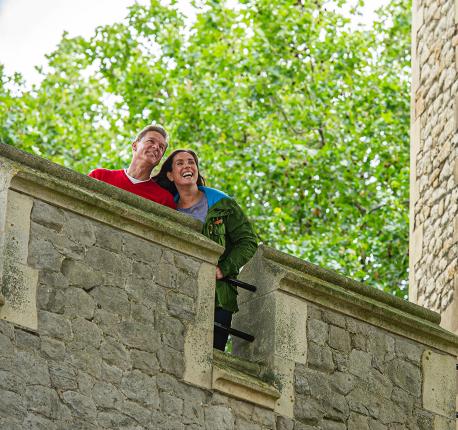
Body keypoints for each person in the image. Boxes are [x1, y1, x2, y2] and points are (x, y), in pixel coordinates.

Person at [153, 149, 258, 351]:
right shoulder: (166, 208)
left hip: (218, 296)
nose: (187, 166)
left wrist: (224, 268)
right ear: (170, 175)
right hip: (178, 291)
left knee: (210, 357)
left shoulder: (222, 204)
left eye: (191, 162)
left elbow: (248, 242)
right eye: (180, 163)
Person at [89, 125, 176, 209]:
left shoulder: (164, 200)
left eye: (161, 147)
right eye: (151, 141)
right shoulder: (100, 176)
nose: (156, 147)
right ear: (135, 146)